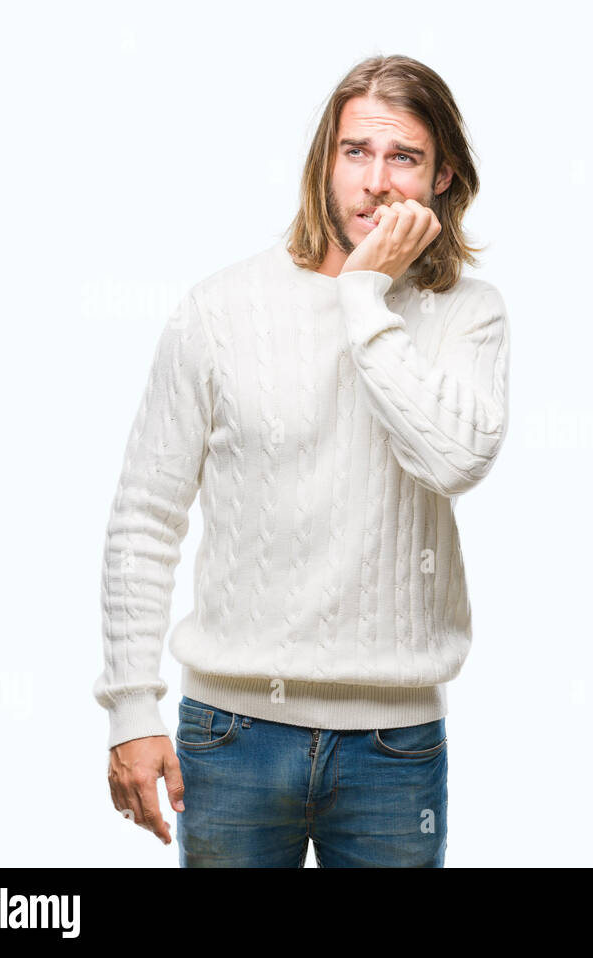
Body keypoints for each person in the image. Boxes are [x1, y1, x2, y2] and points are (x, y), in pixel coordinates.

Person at [94, 54, 510, 867]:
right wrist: (129, 711)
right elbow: (146, 515)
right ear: (325, 159)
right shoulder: (221, 308)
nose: (377, 181)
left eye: (404, 157)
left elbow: (453, 462)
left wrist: (363, 296)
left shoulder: (469, 315)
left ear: (443, 175)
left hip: (395, 747)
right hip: (231, 736)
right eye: (356, 151)